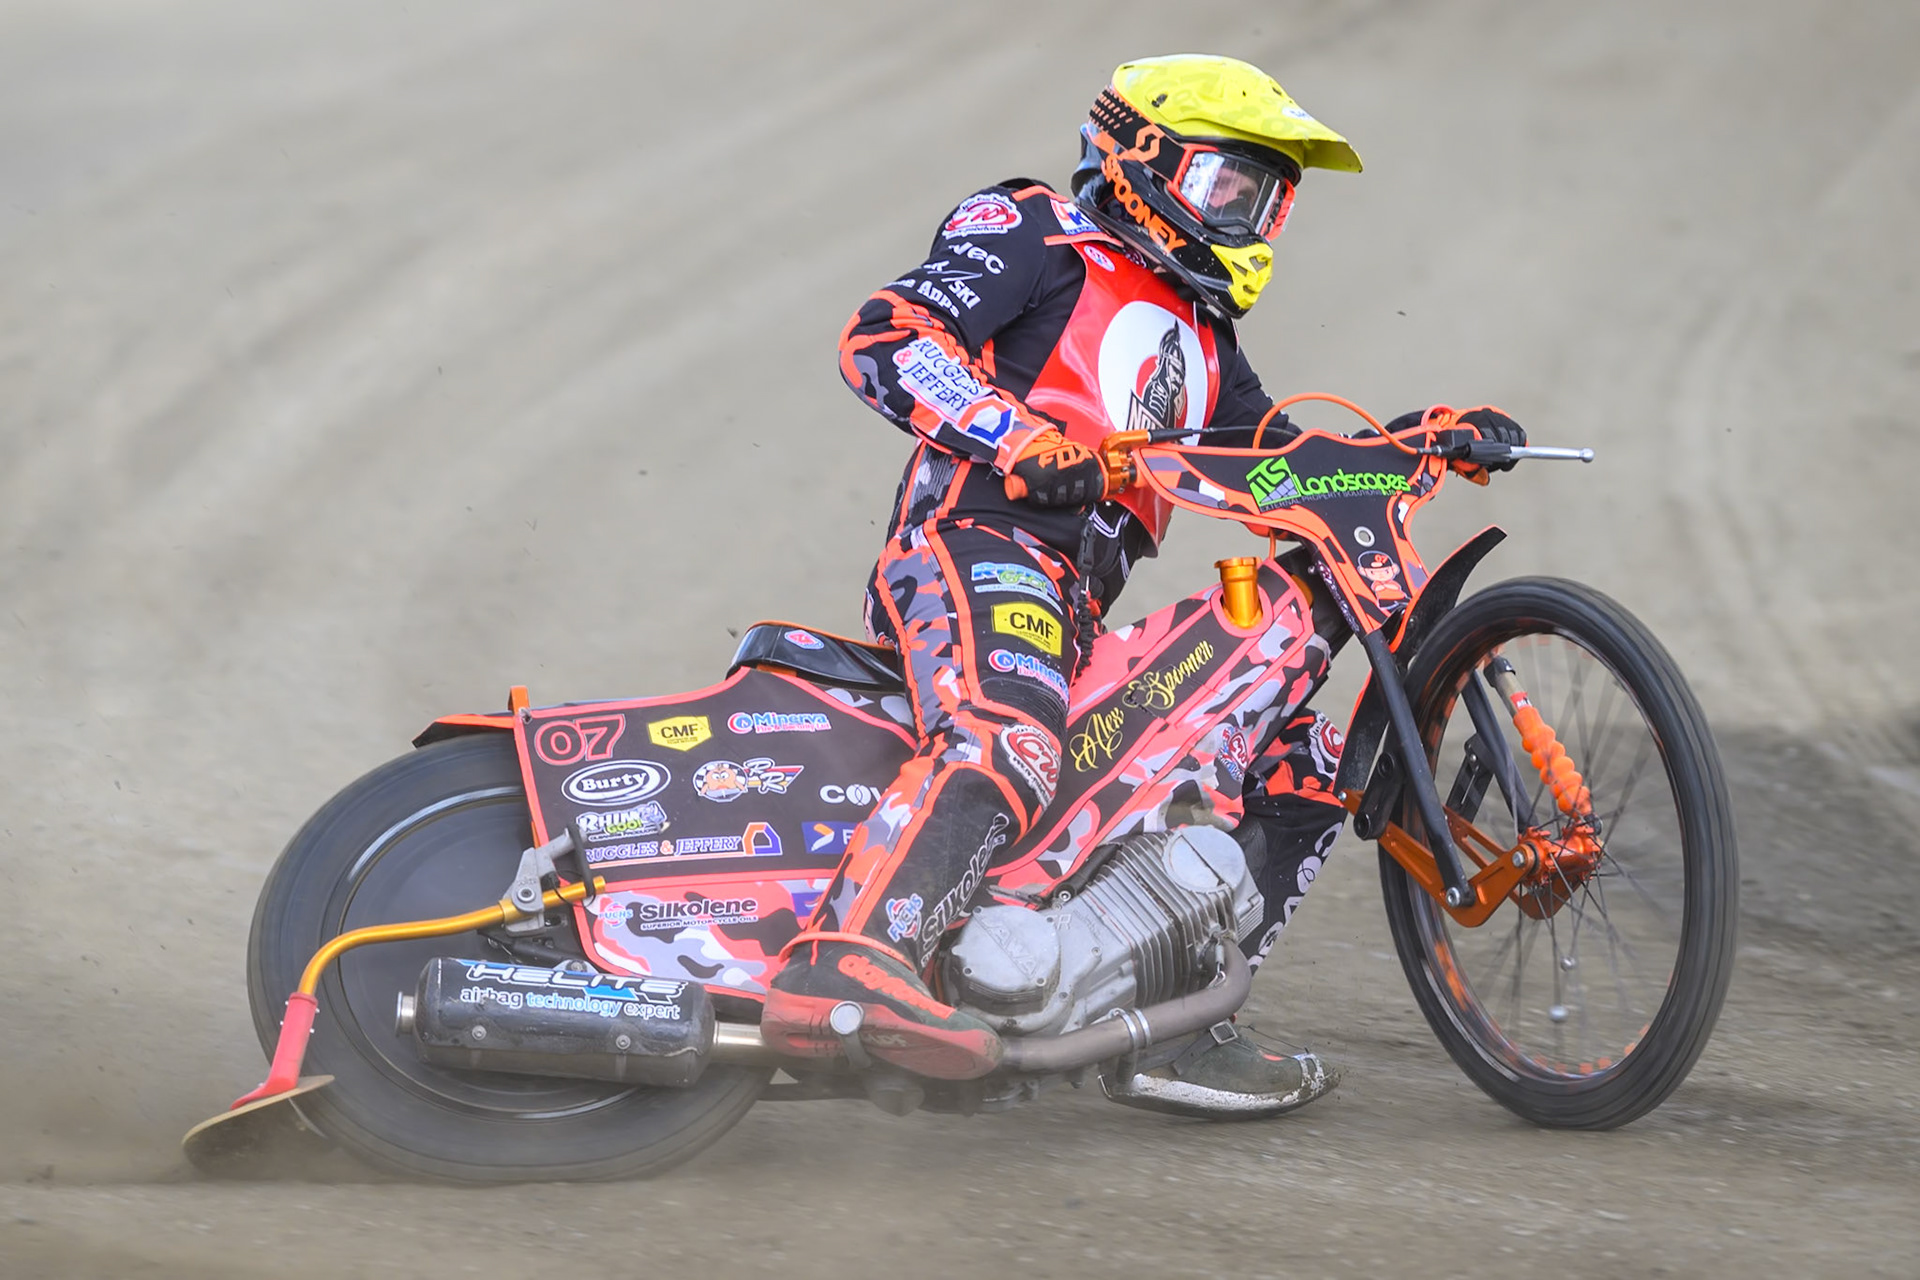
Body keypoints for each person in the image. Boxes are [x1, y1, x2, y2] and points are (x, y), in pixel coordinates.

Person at [759, 55, 1525, 1114]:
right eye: (1227, 188)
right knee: (1012, 729)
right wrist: (1015, 434)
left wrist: (1414, 443)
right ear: (1141, 158)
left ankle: (1180, 1019)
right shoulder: (1032, 228)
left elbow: (1284, 463)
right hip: (975, 543)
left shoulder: (1208, 341)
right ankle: (848, 963)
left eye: (1264, 200)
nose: (1246, 219)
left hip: (1071, 604)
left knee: (1289, 747)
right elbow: (888, 335)